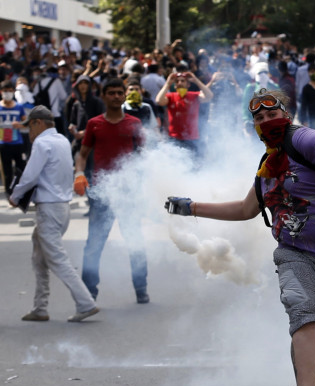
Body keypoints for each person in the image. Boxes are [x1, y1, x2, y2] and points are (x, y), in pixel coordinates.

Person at [164, 88, 315, 386]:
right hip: (295, 253)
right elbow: (247, 209)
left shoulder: (301, 139)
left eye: (271, 114)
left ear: (286, 116)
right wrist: (191, 208)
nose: (266, 121)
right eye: (258, 118)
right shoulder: (267, 167)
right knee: (305, 317)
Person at [9, 106, 100, 322]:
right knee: (39, 258)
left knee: (57, 259)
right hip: (61, 207)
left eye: (29, 127)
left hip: (49, 209)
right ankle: (40, 308)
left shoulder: (42, 143)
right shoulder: (61, 141)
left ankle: (85, 303)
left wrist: (15, 196)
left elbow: (31, 177)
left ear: (38, 123)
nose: (28, 133)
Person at [73, 78, 149, 304]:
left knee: (134, 241)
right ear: (104, 96)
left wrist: (145, 185)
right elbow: (83, 154)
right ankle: (89, 293)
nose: (116, 96)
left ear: (124, 95)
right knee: (94, 244)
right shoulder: (94, 124)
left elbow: (144, 157)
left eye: (119, 93)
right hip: (101, 192)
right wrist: (79, 174)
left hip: (128, 192)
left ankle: (141, 288)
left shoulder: (134, 123)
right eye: (112, 93)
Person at [155, 70, 213, 158]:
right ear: (175, 86)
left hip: (192, 139)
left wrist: (196, 80)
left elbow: (209, 96)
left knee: (195, 166)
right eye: (177, 81)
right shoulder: (171, 96)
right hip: (175, 139)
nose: (180, 83)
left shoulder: (194, 95)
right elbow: (159, 100)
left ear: (188, 85)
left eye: (183, 81)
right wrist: (167, 83)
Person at [0, 80, 27, 195]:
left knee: (20, 167)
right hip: (3, 142)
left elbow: (26, 122)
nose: (7, 93)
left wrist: (19, 125)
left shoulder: (19, 107)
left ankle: (19, 189)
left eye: (10, 91)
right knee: (6, 169)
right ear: (1, 92)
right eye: (5, 91)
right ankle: (9, 191)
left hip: (17, 142)